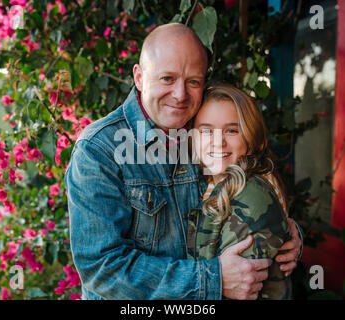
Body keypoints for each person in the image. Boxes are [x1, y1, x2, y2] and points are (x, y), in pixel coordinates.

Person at [65, 23, 302, 300]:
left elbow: (248, 189)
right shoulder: (99, 149)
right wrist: (212, 281)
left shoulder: (205, 127)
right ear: (139, 78)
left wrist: (282, 233)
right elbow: (102, 269)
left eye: (193, 81)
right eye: (167, 78)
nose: (180, 95)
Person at [188, 84, 292, 299]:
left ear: (251, 136)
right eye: (206, 130)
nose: (218, 142)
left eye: (232, 130)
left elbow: (236, 289)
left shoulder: (251, 194)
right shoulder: (208, 179)